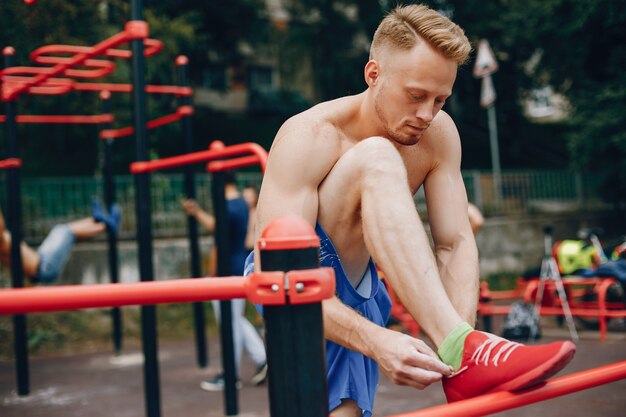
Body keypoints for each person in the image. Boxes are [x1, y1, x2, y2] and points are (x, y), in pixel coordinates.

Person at [245, 4, 576, 416]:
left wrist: (458, 359)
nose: (426, 113)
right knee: (378, 158)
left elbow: (454, 243)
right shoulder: (309, 135)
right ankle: (463, 347)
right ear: (373, 74)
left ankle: (463, 353)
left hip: (361, 281)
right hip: (289, 278)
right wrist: (378, 341)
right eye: (416, 95)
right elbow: (277, 275)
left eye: (440, 99)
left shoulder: (438, 134)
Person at [182, 173, 267, 391]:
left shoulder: (227, 207)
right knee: (236, 320)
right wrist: (197, 212)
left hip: (225, 271)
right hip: (238, 267)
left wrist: (211, 277)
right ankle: (262, 358)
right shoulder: (240, 204)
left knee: (230, 323)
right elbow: (218, 227)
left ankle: (231, 374)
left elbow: (217, 242)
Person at [0, 198, 120, 284]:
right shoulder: (2, 241)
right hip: (44, 268)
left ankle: (98, 221)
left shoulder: (3, 239)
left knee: (61, 230)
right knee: (65, 232)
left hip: (41, 259)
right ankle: (104, 225)